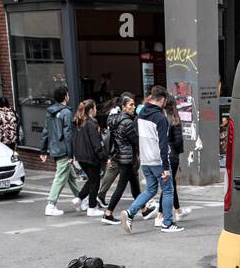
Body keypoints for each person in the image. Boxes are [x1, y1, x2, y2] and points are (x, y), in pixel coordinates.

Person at [123, 85, 181, 233]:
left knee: (150, 190)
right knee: (168, 190)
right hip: (157, 161)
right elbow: (163, 144)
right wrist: (166, 167)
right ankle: (167, 223)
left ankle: (130, 212)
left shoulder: (141, 113)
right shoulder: (160, 118)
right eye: (164, 101)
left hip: (145, 160)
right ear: (161, 100)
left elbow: (136, 132)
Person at [101, 94, 140, 226]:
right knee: (120, 187)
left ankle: (144, 209)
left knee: (135, 185)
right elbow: (136, 140)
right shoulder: (127, 122)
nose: (133, 107)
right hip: (126, 158)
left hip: (120, 156)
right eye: (130, 105)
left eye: (134, 105)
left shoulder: (115, 120)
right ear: (123, 107)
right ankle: (108, 213)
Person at [40, 86, 74, 217]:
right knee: (60, 177)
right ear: (65, 97)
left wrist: (43, 150)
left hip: (54, 148)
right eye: (68, 94)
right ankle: (51, 204)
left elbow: (45, 131)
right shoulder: (66, 112)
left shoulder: (50, 111)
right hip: (63, 149)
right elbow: (68, 134)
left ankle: (82, 199)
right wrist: (71, 154)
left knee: (71, 177)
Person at [72, 99, 105, 216]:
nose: (96, 110)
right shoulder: (91, 124)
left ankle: (79, 198)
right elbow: (96, 143)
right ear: (91, 110)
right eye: (95, 108)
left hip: (81, 156)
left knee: (92, 180)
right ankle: (92, 208)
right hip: (91, 157)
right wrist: (103, 156)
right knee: (95, 182)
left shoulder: (79, 122)